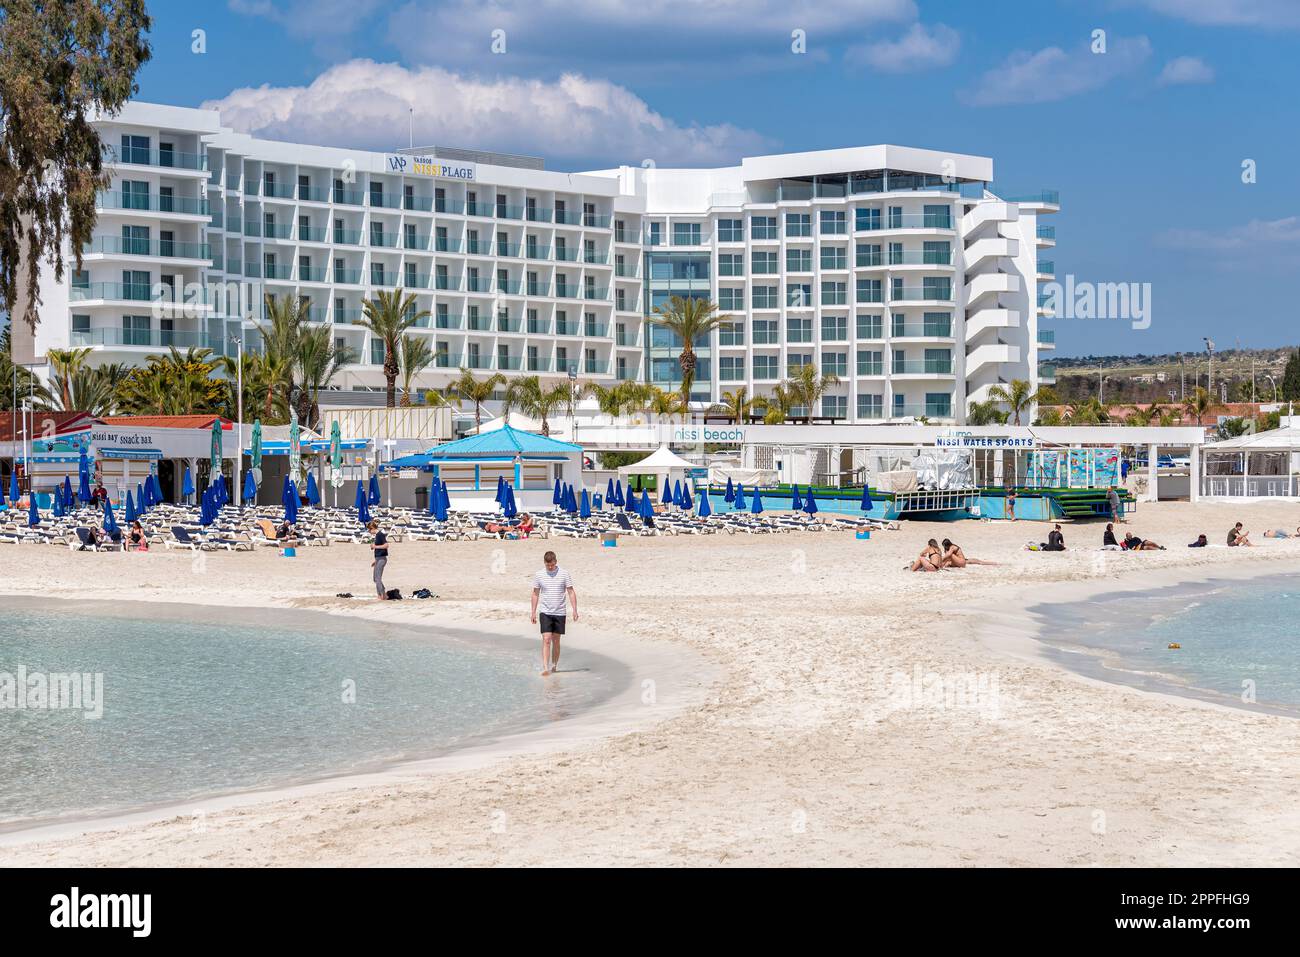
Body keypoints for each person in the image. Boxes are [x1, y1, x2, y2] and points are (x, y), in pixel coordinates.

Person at [531, 550, 577, 676]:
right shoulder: (539, 575)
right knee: (546, 639)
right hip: (545, 612)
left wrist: (574, 610)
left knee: (556, 641)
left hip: (560, 612)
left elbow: (571, 591)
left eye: (551, 565)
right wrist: (533, 612)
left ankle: (554, 666)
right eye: (547, 565)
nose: (550, 567)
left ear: (555, 562)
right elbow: (535, 593)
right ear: (544, 563)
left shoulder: (564, 574)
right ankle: (545, 667)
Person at [368, 520, 390, 598]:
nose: (369, 531)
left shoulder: (380, 534)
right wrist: (375, 561)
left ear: (373, 528)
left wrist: (375, 547)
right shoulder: (377, 536)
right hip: (378, 559)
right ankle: (382, 593)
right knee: (375, 578)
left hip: (382, 559)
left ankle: (382, 595)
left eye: (369, 529)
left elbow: (386, 545)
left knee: (377, 578)